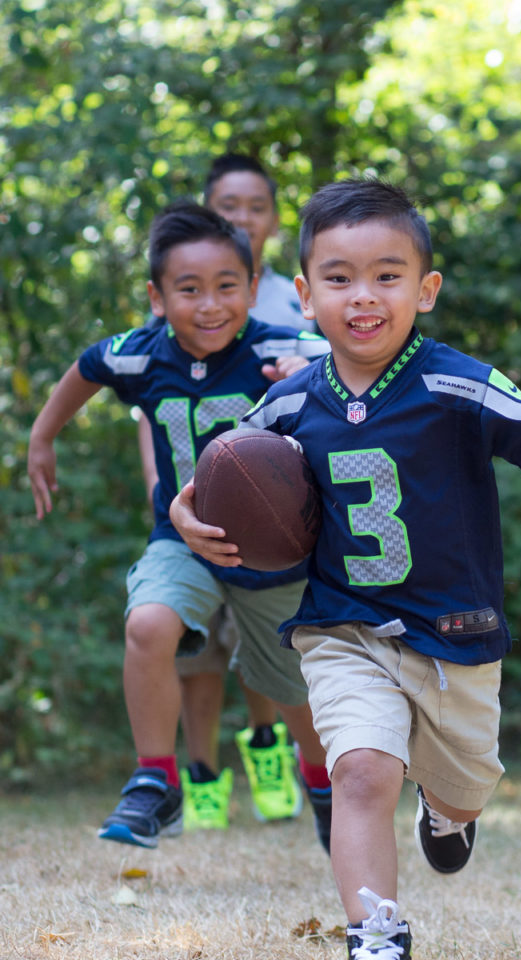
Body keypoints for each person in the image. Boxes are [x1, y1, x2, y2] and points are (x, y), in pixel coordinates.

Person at [169, 178, 521, 958]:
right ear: (306, 295)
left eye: (387, 275)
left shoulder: (457, 383)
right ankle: (376, 932)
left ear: (426, 289)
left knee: (464, 778)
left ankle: (448, 811)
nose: (364, 295)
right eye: (339, 279)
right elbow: (217, 476)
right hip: (342, 626)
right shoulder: (290, 402)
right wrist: (187, 515)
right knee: (362, 773)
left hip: (456, 629)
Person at [28, 201, 333, 851]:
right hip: (184, 535)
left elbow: (359, 368)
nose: (210, 304)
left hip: (272, 549)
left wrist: (318, 377)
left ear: (253, 288)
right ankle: (153, 780)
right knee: (147, 625)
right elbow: (86, 368)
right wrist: (42, 438)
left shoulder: (286, 347)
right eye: (188, 289)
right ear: (157, 297)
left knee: (292, 686)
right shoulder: (139, 355)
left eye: (227, 286)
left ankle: (324, 787)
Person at [137, 152, 321, 830]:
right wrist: (164, 492)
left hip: (271, 510)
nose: (242, 216)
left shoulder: (294, 299)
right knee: (195, 649)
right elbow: (151, 409)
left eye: (255, 206)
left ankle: (270, 748)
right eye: (227, 205)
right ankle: (203, 772)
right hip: (191, 509)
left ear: (273, 219)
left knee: (264, 643)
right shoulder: (190, 289)